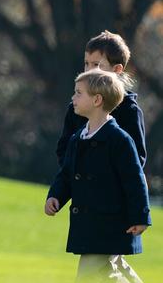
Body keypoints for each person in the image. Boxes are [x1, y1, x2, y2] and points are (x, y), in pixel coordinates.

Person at [45, 69, 151, 283]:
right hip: (88, 226)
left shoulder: (119, 140)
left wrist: (141, 216)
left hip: (112, 224)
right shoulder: (77, 138)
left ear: (97, 100)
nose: (73, 98)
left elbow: (134, 180)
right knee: (106, 274)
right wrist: (55, 195)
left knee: (87, 275)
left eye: (78, 93)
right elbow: (67, 174)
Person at [56, 30, 146, 167]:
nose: (89, 70)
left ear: (117, 70)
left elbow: (137, 158)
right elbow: (63, 149)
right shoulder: (76, 106)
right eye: (86, 63)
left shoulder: (130, 111)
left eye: (97, 65)